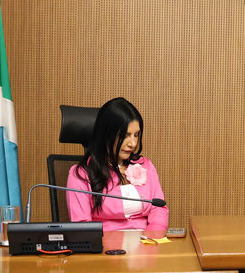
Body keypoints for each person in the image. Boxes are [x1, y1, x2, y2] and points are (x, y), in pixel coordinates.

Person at [66, 97, 168, 231]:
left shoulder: (145, 165)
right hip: (105, 242)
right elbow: (82, 227)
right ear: (106, 134)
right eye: (125, 135)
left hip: (145, 240)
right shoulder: (80, 175)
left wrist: (154, 234)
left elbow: (159, 208)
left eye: (136, 135)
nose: (133, 143)